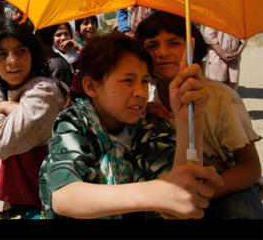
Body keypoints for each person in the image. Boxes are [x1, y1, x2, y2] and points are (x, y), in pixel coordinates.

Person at [39, 32, 223, 219]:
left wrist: (189, 122)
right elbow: (64, 197)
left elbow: (182, 198)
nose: (140, 92)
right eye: (128, 80)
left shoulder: (150, 124)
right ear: (91, 87)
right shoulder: (75, 122)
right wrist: (156, 193)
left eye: (144, 81)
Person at [136, 11, 262, 218]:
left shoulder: (222, 100)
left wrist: (203, 193)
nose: (162, 52)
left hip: (223, 184)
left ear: (193, 49)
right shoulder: (145, 96)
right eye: (152, 46)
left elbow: (250, 168)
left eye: (174, 43)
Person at [0, 19, 68, 217]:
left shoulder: (44, 90)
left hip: (52, 173)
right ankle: (10, 197)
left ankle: (26, 201)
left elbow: (2, 144)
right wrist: (1, 107)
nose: (12, 61)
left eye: (21, 51)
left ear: (33, 54)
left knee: (7, 139)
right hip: (26, 169)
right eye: (2, 54)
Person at [203, 26, 247, 91]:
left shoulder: (237, 19)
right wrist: (222, 54)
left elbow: (244, 37)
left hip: (234, 58)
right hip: (216, 57)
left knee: (232, 87)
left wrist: (238, 53)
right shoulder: (214, 19)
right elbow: (209, 36)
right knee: (216, 87)